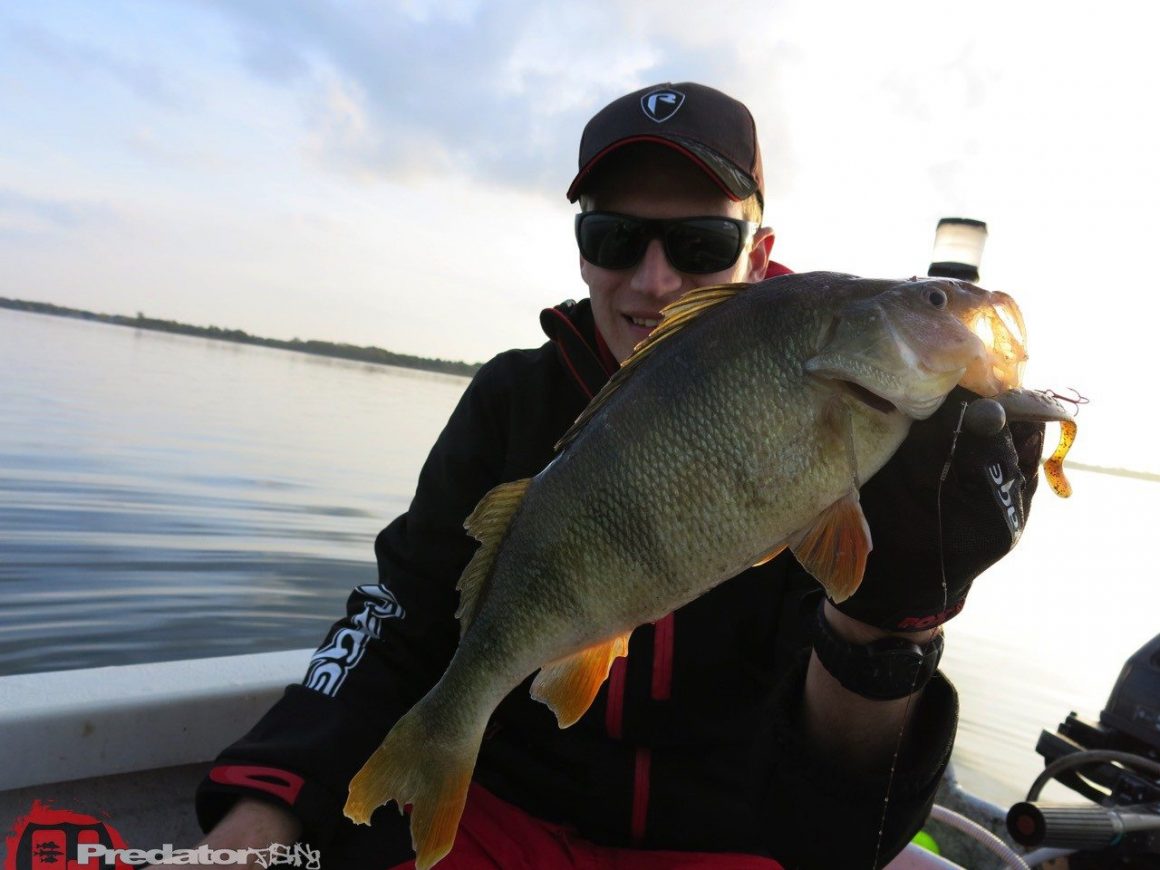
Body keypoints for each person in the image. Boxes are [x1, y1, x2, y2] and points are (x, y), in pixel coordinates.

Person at [185, 82, 1044, 869]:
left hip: (728, 843)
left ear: (759, 248)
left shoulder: (856, 425)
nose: (654, 280)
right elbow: (399, 619)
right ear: (583, 247)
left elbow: (837, 828)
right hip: (509, 814)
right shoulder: (512, 399)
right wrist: (256, 823)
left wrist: (890, 625)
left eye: (702, 241)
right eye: (615, 237)